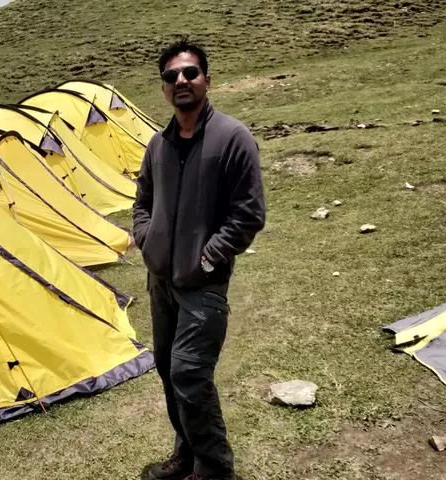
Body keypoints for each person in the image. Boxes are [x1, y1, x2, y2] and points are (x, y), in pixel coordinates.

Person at [133, 39, 267, 480]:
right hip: (161, 283)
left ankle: (214, 469)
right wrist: (145, 239)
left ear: (207, 79)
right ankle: (186, 456)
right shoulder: (158, 145)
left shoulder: (233, 137)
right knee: (168, 368)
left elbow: (248, 215)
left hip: (203, 285)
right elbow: (142, 203)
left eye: (190, 73)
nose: (181, 81)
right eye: (171, 76)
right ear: (164, 88)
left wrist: (210, 257)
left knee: (189, 373)